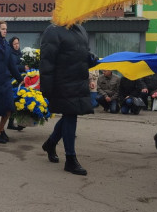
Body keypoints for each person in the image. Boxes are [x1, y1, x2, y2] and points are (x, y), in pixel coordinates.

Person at [39, 23, 97, 175]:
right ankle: (70, 159)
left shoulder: (80, 29)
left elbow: (83, 52)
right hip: (62, 82)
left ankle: (51, 143)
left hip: (78, 81)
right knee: (71, 115)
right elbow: (46, 61)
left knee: (70, 115)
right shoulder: (53, 31)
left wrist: (90, 58)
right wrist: (46, 88)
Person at [7, 36, 27, 131]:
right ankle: (11, 123)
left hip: (20, 79)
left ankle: (17, 122)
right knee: (15, 101)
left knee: (20, 101)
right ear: (11, 45)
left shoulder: (20, 53)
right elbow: (12, 67)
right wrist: (23, 67)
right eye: (14, 44)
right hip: (12, 80)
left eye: (17, 43)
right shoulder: (10, 54)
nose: (16, 45)